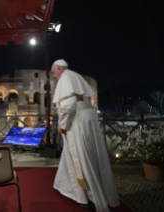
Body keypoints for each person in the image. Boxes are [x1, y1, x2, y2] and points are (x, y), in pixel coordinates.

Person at [51, 59, 119, 212]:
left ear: (60, 69)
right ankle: (65, 186)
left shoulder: (66, 78)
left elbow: (68, 107)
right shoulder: (76, 76)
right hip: (88, 119)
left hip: (78, 123)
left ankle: (87, 197)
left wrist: (62, 125)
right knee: (90, 157)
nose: (54, 77)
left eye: (54, 73)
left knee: (82, 159)